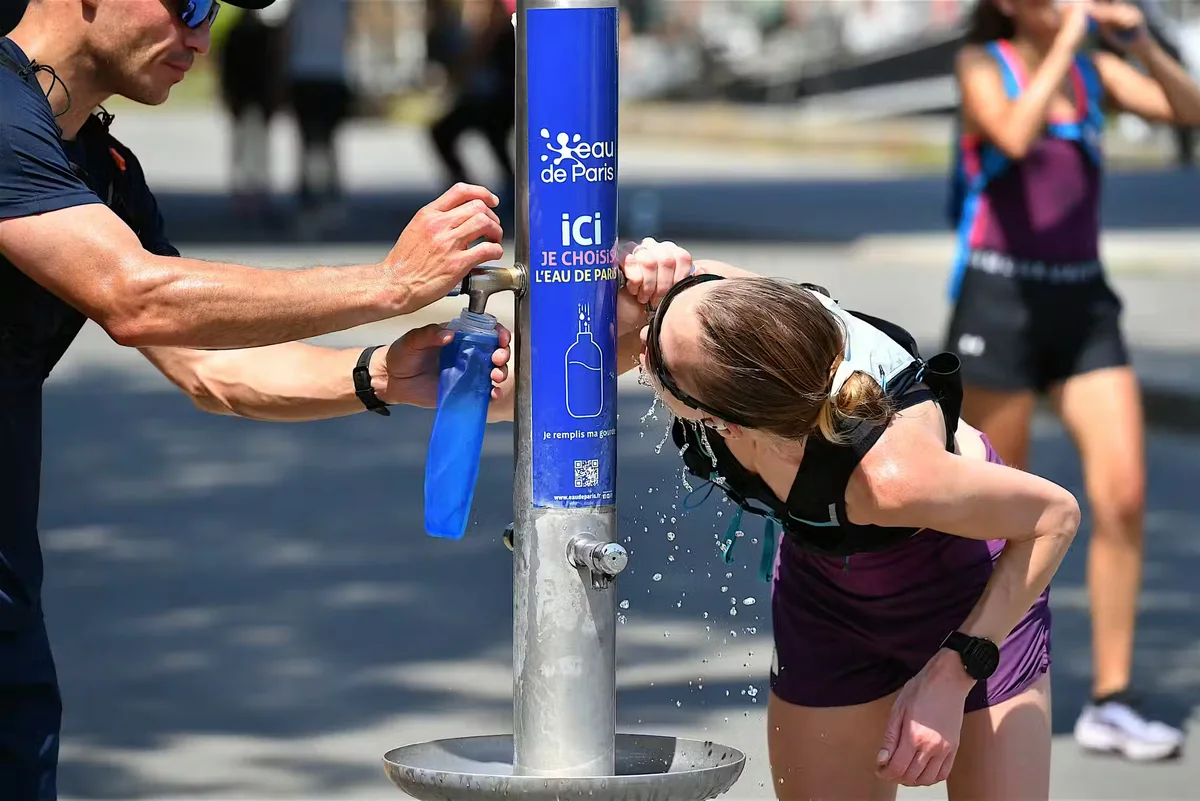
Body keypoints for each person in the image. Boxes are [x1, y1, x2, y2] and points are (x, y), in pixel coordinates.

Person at [0, 0, 508, 796]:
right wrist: (389, 284)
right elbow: (138, 296)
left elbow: (209, 366)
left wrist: (375, 374)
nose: (204, 35)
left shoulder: (102, 169)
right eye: (189, 3)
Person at [489, 237, 1080, 800]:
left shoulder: (890, 476)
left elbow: (1054, 516)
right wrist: (629, 279)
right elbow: (522, 393)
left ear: (719, 421)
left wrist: (957, 670)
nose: (643, 334)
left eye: (652, 344)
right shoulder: (706, 329)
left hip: (968, 595)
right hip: (826, 599)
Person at [944, 0, 1200, 760]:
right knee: (998, 515)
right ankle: (979, 677)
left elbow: (1190, 110)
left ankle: (1112, 700)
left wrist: (1139, 42)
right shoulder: (983, 65)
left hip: (1083, 305)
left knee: (1123, 495)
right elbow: (1013, 134)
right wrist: (1067, 48)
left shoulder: (1098, 72)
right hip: (1000, 300)